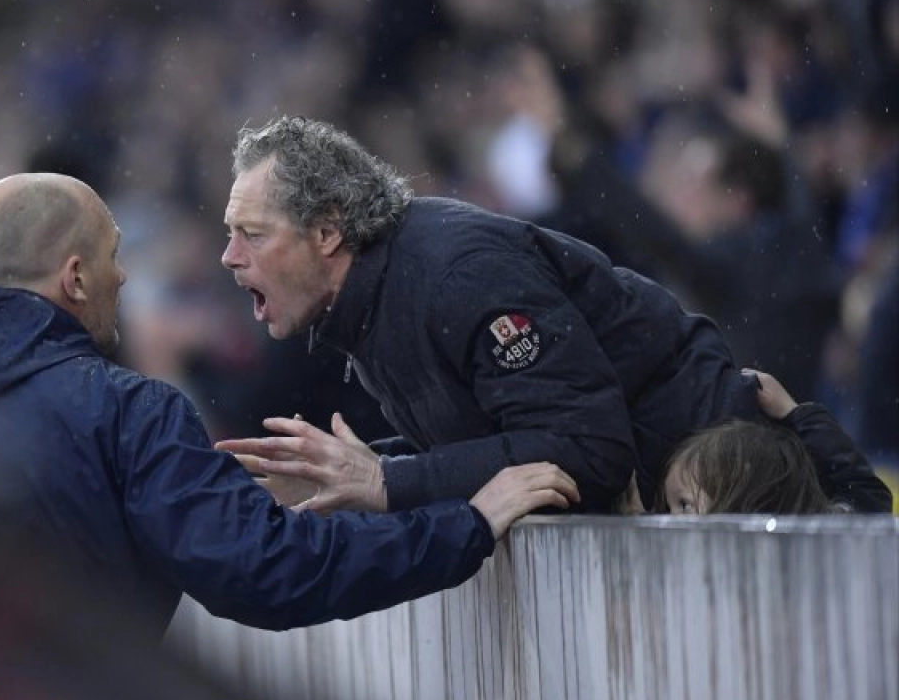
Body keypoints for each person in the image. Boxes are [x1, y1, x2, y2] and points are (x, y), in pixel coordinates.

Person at [0, 172, 580, 637]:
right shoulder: (126, 412)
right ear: (75, 278)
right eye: (117, 257)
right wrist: (467, 524)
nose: (125, 280)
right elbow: (266, 570)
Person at [215, 116, 762, 515]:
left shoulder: (456, 276)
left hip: (736, 480)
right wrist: (334, 478)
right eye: (230, 234)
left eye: (254, 235)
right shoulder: (372, 297)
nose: (230, 256)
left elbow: (588, 449)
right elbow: (491, 439)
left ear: (328, 232)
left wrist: (387, 480)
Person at [659, 370, 893, 515]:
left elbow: (867, 504)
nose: (667, 523)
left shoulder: (821, 553)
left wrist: (795, 414)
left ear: (745, 503)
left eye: (684, 505)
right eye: (669, 509)